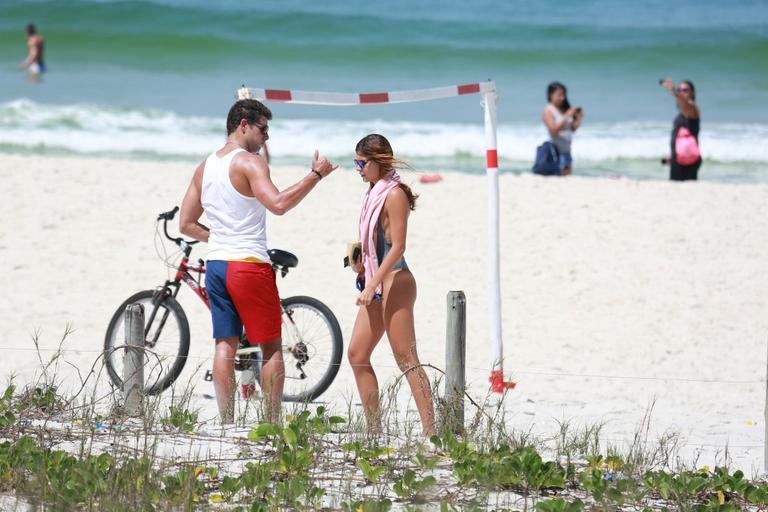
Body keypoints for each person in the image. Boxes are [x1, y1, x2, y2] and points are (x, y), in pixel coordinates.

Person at [179, 99, 337, 424]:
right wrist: (315, 176)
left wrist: (222, 238)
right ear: (244, 124)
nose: (267, 137)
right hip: (248, 263)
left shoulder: (204, 166)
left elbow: (186, 224)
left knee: (225, 345)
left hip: (218, 265)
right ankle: (272, 422)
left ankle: (226, 422)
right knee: (271, 348)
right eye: (264, 129)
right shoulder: (249, 163)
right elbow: (278, 204)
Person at [347, 134, 435, 436]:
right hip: (377, 280)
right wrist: (361, 262)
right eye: (355, 162)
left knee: (406, 359)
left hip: (396, 280)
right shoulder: (373, 192)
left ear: (378, 161)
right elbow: (378, 243)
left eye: (361, 163)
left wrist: (372, 283)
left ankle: (430, 432)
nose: (357, 169)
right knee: (357, 355)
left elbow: (398, 247)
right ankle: (374, 430)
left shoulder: (394, 194)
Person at [661, 78, 701, 181]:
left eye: (685, 90)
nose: (682, 93)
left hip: (688, 160)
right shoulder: (682, 113)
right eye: (680, 90)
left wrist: (674, 90)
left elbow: (685, 105)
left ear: (692, 93)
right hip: (678, 158)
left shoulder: (692, 109)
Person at [542, 82, 583, 176]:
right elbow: (553, 131)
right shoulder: (548, 110)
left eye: (563, 95)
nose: (562, 98)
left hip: (567, 151)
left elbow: (572, 130)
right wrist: (566, 116)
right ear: (550, 95)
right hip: (556, 152)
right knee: (559, 177)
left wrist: (579, 118)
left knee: (567, 177)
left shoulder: (562, 110)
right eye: (559, 95)